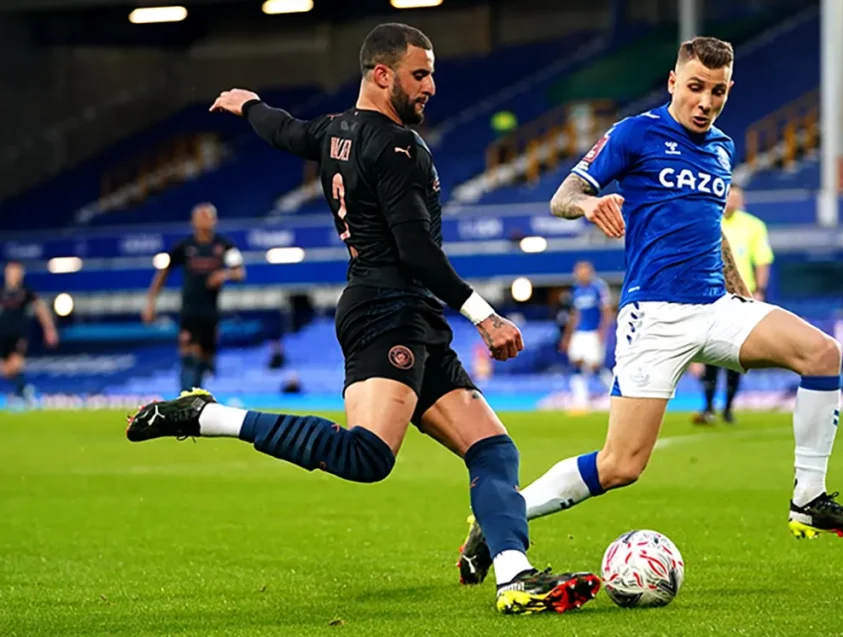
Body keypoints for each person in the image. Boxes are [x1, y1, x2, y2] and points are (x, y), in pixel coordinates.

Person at [124, 23, 598, 616]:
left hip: (413, 316)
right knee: (367, 456)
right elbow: (416, 252)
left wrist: (249, 105)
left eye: (432, 75)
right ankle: (206, 415)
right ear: (381, 74)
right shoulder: (396, 148)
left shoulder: (334, 133)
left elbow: (284, 130)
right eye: (419, 75)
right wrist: (485, 315)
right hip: (385, 311)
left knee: (495, 451)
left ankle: (514, 575)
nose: (430, 87)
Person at [457, 36, 843, 586]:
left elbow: (712, 229)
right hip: (654, 317)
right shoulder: (636, 132)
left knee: (822, 353)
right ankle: (496, 521)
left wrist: (742, 289)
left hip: (716, 306)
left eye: (719, 91)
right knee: (621, 466)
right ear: (674, 82)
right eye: (697, 87)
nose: (706, 102)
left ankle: (809, 498)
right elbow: (562, 195)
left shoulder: (723, 148)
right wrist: (590, 203)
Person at [142, 203, 246, 393]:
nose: (205, 220)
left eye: (208, 216)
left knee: (205, 359)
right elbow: (163, 273)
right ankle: (186, 400)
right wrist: (150, 303)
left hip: (211, 313)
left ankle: (197, 398)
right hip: (189, 311)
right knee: (189, 355)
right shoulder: (185, 247)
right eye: (201, 216)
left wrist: (223, 275)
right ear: (193, 221)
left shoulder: (224, 246)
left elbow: (240, 273)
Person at [694, 184, 774, 424]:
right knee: (709, 354)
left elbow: (762, 260)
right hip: (710, 295)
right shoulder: (707, 220)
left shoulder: (753, 226)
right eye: (730, 196)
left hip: (741, 297)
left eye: (737, 197)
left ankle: (728, 409)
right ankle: (708, 407)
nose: (733, 201)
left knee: (736, 355)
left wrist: (759, 291)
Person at [559, 261, 614, 410]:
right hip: (579, 332)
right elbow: (574, 314)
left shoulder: (598, 287)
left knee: (595, 365)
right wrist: (567, 336)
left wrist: (603, 332)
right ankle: (580, 400)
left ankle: (614, 395)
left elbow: (606, 311)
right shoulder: (575, 289)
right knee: (576, 362)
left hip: (593, 331)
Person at [1, 261, 59, 403]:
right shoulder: (1, 292)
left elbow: (41, 310)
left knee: (16, 364)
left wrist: (49, 329)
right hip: (2, 335)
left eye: (17, 272)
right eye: (12, 272)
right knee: (7, 370)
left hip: (19, 336)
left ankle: (23, 395)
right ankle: (23, 391)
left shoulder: (26, 292)